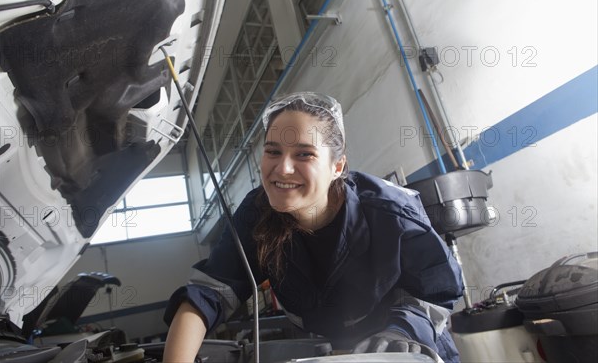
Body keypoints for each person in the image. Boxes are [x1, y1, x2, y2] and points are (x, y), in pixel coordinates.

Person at [163, 92, 463, 362]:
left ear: (337, 167)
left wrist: (403, 333)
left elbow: (434, 291)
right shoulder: (255, 214)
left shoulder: (390, 211)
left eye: (304, 154)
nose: (283, 169)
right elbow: (211, 292)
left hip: (411, 348)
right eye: (273, 151)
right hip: (336, 352)